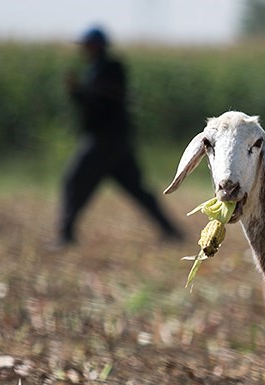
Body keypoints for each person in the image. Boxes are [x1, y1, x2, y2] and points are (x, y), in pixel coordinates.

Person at [57, 26, 184, 247]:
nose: (83, 50)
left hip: (102, 142)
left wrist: (79, 91)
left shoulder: (111, 67)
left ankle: (65, 236)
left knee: (74, 183)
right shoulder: (97, 69)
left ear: (96, 46)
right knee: (137, 190)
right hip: (117, 144)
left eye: (87, 45)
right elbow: (94, 100)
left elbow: (98, 105)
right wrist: (79, 92)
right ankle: (171, 232)